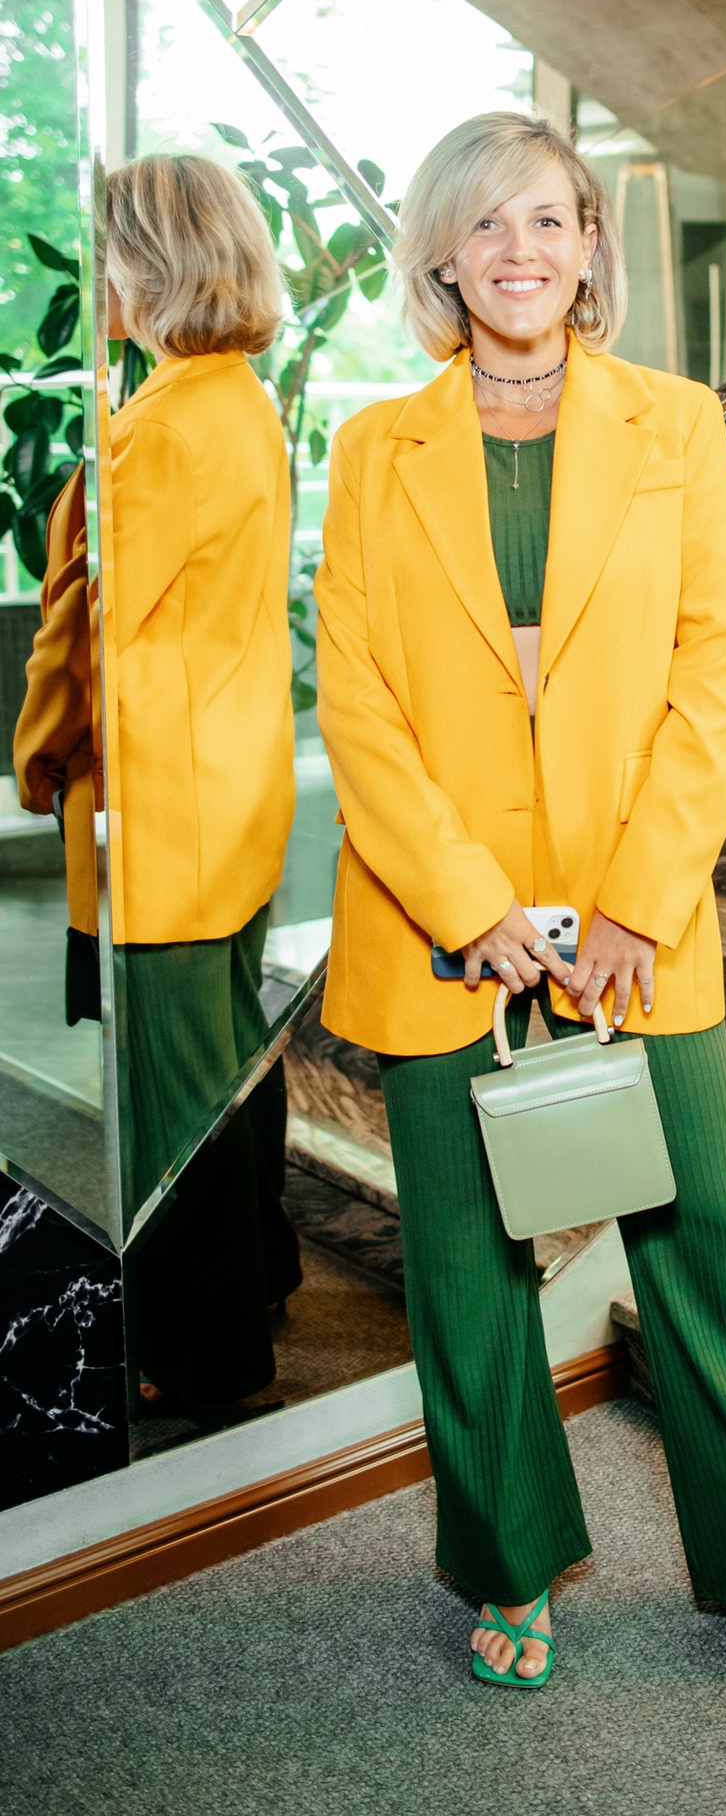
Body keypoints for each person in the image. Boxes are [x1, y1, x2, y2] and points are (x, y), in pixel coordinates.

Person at [313, 110, 726, 1688]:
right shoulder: (374, 450)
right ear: (444, 255)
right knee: (467, 1269)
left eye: (550, 220)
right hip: (441, 925)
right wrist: (468, 903)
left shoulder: (677, 425)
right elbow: (355, 699)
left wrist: (636, 897)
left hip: (639, 915)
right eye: (487, 223)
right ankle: (510, 1566)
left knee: (706, 1238)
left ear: (589, 249)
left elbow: (714, 676)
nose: (521, 250)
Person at [14, 153, 302, 1421]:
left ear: (152, 265)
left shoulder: (162, 427)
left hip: (166, 802)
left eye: (110, 254)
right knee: (229, 1061)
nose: (100, 279)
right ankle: (262, 1282)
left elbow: (87, 631)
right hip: (225, 784)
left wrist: (38, 752)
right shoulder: (235, 401)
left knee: (177, 1095)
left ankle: (206, 1356)